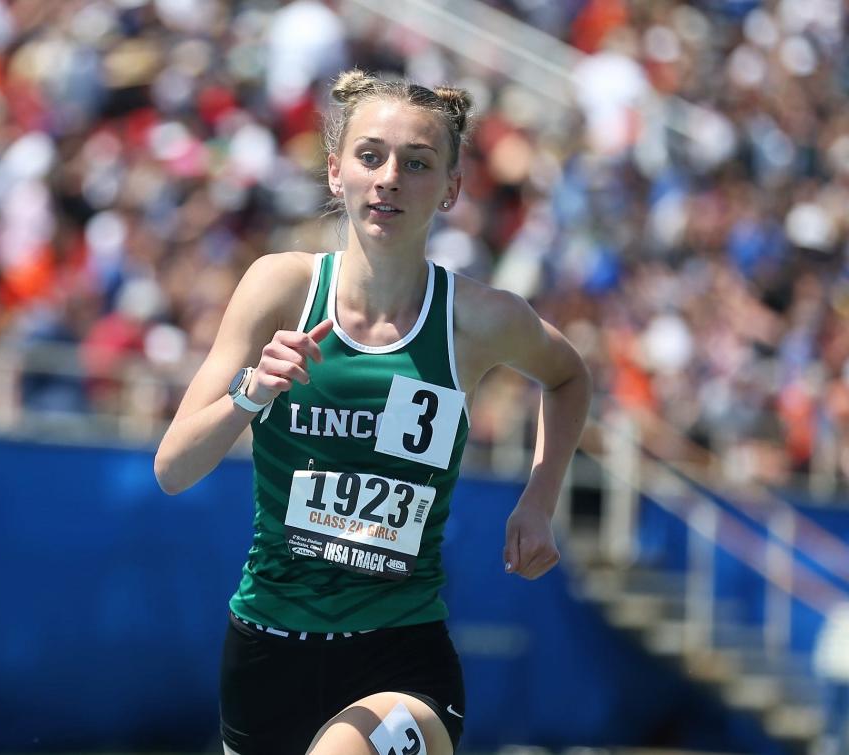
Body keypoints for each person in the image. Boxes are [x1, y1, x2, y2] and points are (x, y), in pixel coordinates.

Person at [154, 69, 592, 755]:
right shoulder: (281, 288)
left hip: (400, 657)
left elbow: (568, 377)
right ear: (336, 173)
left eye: (416, 164)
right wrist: (251, 391)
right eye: (370, 156)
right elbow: (174, 469)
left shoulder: (478, 320)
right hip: (267, 653)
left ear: (449, 189)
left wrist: (539, 499)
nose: (389, 177)